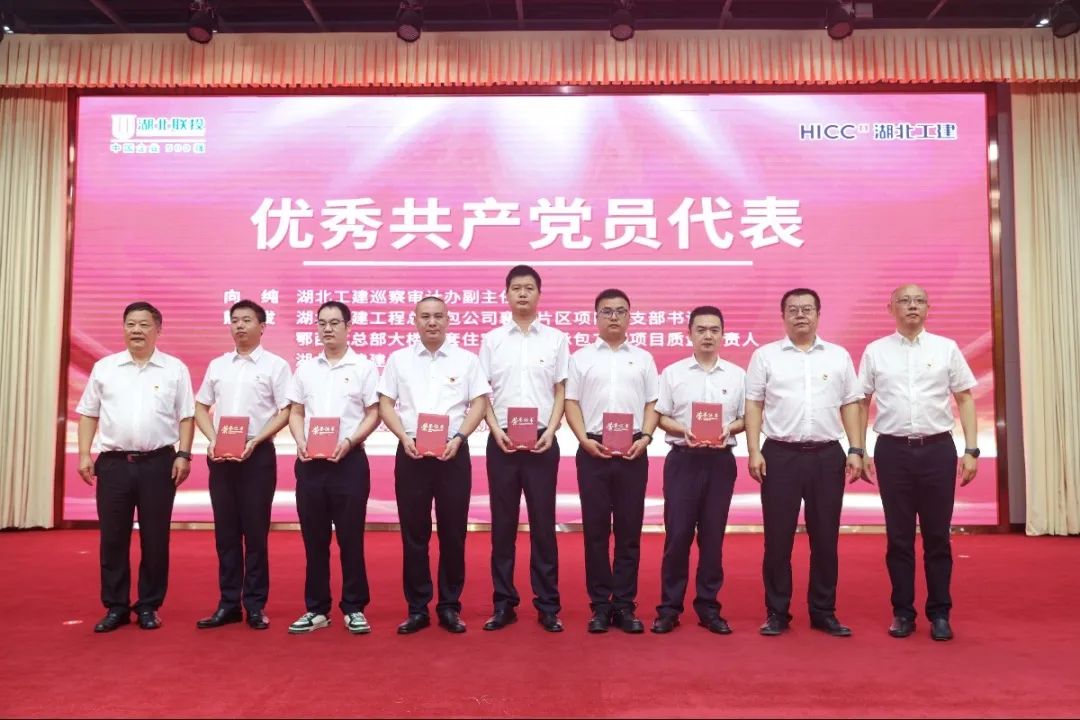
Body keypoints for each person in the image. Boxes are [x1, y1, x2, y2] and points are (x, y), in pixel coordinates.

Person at [858, 284, 978, 642]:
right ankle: (903, 612)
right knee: (898, 537)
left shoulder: (946, 348)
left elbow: (965, 398)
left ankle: (940, 613)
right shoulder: (875, 351)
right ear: (890, 308)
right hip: (892, 451)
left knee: (938, 536)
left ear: (928, 307)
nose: (912, 306)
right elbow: (861, 402)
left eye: (919, 301)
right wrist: (859, 449)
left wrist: (971, 450)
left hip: (937, 450)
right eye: (905, 301)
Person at [744, 288, 863, 637]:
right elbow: (754, 404)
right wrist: (754, 450)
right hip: (780, 455)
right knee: (777, 539)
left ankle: (823, 611)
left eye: (807, 309)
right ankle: (777, 612)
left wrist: (856, 449)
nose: (800, 315)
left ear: (818, 314)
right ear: (783, 316)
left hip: (827, 455)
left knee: (825, 538)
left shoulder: (838, 356)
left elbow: (851, 403)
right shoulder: (765, 356)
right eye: (793, 309)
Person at [76, 301, 195, 633]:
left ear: (158, 329)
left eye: (144, 324)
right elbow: (89, 413)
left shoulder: (174, 369)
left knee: (155, 539)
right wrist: (84, 454)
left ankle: (148, 605)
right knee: (113, 538)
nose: (136, 330)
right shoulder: (105, 367)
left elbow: (186, 416)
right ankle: (115, 606)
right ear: (123, 328)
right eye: (130, 324)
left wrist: (184, 455)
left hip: (158, 463)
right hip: (113, 465)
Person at [378, 296, 490, 635]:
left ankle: (449, 606)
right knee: (414, 535)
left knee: (453, 533)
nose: (432, 322)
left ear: (448, 320)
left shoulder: (466, 360)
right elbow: (385, 403)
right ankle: (417, 609)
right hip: (411, 452)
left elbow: (480, 402)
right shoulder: (399, 360)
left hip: (453, 452)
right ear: (415, 320)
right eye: (425, 316)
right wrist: (403, 436)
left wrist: (460, 437)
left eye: (438, 316)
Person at [479, 265, 569, 633]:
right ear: (506, 294)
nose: (522, 294)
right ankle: (504, 604)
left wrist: (553, 428)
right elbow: (482, 392)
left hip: (542, 441)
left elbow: (562, 390)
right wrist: (494, 429)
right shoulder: (492, 340)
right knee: (503, 526)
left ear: (538, 294)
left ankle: (548, 605)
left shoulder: (556, 339)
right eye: (516, 288)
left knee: (543, 525)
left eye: (529, 288)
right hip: (501, 441)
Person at [564, 288, 659, 634]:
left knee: (629, 531)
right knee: (596, 531)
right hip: (593, 450)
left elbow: (652, 403)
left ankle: (624, 604)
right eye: (607, 311)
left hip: (633, 450)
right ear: (596, 317)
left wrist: (645, 437)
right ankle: (600, 606)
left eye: (620, 311)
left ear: (630, 316)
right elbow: (571, 402)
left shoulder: (644, 358)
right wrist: (583, 440)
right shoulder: (580, 358)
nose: (614, 317)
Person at [193, 299, 291, 631]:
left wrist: (257, 440)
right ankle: (228, 604)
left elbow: (286, 411)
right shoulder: (218, 365)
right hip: (222, 456)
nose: (239, 325)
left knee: (256, 533)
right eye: (234, 320)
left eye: (246, 320)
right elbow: (201, 406)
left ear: (262, 327)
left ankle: (255, 605)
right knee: (226, 534)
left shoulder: (276, 366)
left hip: (257, 455)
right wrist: (211, 439)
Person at [649, 305, 745, 635]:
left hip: (720, 462)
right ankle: (669, 608)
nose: (708, 335)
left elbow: (746, 418)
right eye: (701, 329)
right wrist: (683, 430)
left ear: (723, 334)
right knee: (677, 536)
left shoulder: (737, 375)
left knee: (713, 537)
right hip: (683, 461)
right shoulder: (672, 373)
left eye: (714, 330)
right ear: (688, 333)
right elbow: (661, 416)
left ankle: (708, 606)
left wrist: (728, 429)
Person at [286, 301, 380, 635]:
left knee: (350, 538)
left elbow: (374, 412)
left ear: (348, 326)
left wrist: (351, 441)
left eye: (335, 323)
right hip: (310, 463)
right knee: (314, 540)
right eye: (322, 323)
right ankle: (317, 608)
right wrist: (300, 440)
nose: (327, 329)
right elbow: (296, 411)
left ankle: (354, 607)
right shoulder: (305, 369)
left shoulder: (364, 367)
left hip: (349, 462)